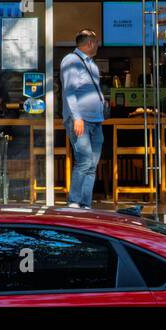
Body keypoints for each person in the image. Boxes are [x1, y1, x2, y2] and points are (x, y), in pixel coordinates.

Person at [60, 29, 106, 209]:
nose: (97, 46)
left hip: (95, 120)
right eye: (96, 42)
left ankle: (85, 204)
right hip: (81, 121)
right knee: (85, 161)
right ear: (89, 43)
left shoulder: (92, 64)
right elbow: (69, 91)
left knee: (91, 164)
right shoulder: (71, 61)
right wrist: (76, 117)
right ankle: (74, 202)